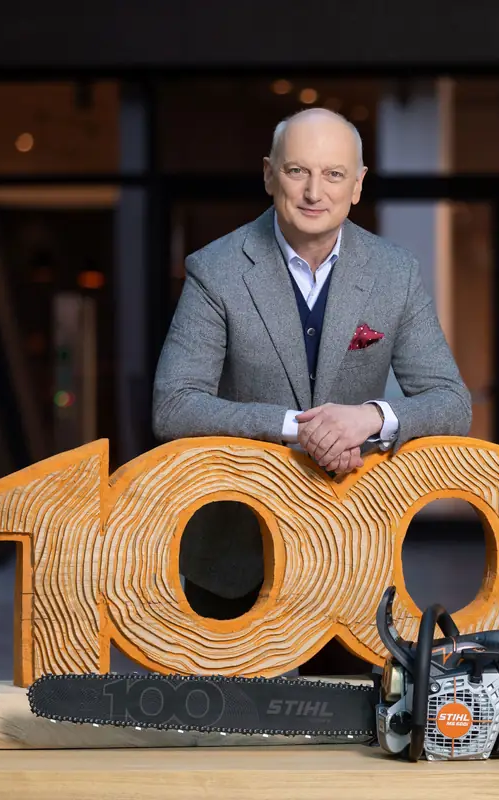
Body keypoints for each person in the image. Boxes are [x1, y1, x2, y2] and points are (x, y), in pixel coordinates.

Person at [151, 107, 471, 670]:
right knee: (232, 724)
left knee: (350, 723)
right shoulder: (216, 270)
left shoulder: (395, 273)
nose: (314, 192)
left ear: (358, 184)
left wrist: (369, 417)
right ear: (269, 174)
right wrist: (300, 429)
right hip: (235, 554)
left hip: (349, 550)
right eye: (297, 171)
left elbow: (451, 400)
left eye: (333, 174)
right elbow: (173, 405)